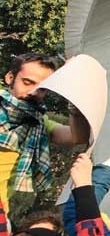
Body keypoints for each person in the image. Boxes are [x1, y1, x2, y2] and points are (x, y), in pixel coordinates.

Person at [1, 53, 89, 222]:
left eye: (42, 88)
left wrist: (75, 90)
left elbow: (77, 137)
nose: (33, 92)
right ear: (10, 77)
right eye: (27, 82)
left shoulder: (38, 122)